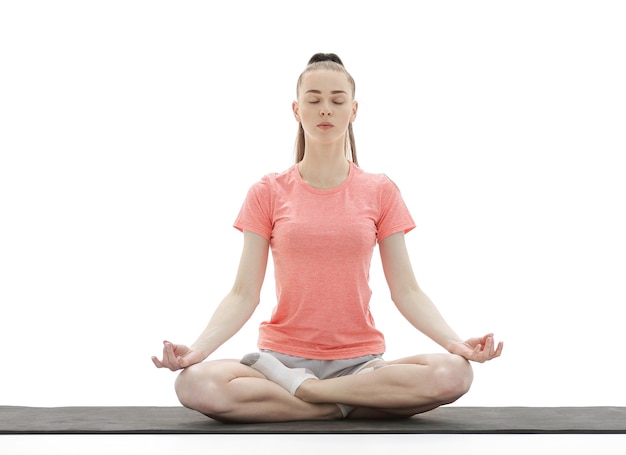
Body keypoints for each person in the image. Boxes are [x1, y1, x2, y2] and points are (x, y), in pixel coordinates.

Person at [152, 53, 503, 423]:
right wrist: (197, 352)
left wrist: (454, 343)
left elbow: (407, 290)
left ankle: (312, 395)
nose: (325, 110)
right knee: (194, 384)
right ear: (295, 109)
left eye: (337, 101)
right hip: (279, 361)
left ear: (353, 111)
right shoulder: (267, 191)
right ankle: (351, 406)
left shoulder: (379, 190)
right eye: (314, 99)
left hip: (358, 365)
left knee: (454, 373)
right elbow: (243, 293)